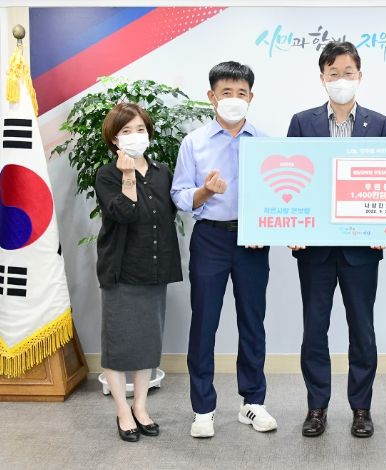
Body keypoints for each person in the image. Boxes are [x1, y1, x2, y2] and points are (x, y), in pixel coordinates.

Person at [286, 41, 386, 438]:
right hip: (314, 248)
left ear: (359, 76)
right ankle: (317, 407)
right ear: (322, 78)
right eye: (334, 73)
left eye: (348, 72)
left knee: (362, 330)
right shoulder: (302, 122)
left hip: (361, 250)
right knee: (314, 330)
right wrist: (291, 226)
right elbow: (291, 180)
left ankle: (361, 408)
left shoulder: (379, 124)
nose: (341, 80)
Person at [171, 61, 277, 438]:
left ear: (251, 97)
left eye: (241, 93)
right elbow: (180, 195)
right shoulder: (194, 142)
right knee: (205, 322)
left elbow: (279, 194)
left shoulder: (265, 143)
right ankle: (203, 408)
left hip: (252, 241)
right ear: (211, 97)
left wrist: (266, 224)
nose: (234, 99)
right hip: (211, 239)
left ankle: (253, 402)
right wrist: (205, 191)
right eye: (226, 92)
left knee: (252, 321)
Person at [95, 103, 183, 442]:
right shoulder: (107, 174)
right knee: (117, 345)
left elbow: (170, 214)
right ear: (114, 139)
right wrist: (128, 175)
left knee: (148, 343)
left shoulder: (162, 172)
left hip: (154, 268)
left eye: (141, 129)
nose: (135, 136)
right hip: (121, 271)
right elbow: (125, 213)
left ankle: (141, 407)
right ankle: (122, 411)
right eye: (127, 131)